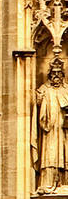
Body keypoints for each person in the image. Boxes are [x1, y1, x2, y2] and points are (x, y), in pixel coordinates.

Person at [33, 51, 68, 191]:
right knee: (50, 154)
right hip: (50, 131)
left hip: (64, 130)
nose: (56, 77)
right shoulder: (44, 90)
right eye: (54, 74)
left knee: (64, 154)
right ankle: (47, 183)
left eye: (59, 74)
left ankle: (63, 182)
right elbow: (38, 109)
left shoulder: (66, 91)